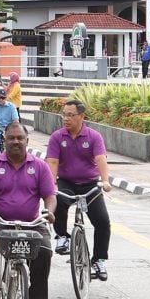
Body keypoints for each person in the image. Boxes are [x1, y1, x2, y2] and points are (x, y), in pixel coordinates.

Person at [0, 122, 56, 299]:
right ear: (4, 141)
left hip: (31, 222)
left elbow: (50, 195)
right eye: (11, 138)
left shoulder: (40, 166)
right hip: (0, 220)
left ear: (27, 141)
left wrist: (49, 212)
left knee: (45, 251)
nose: (16, 141)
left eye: (20, 138)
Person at [46, 99, 113, 280]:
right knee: (58, 201)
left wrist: (105, 181)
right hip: (66, 182)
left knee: (102, 221)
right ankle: (62, 236)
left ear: (81, 116)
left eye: (71, 115)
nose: (66, 119)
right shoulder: (57, 137)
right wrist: (52, 185)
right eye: (64, 115)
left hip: (90, 184)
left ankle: (99, 259)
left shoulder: (93, 137)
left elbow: (100, 159)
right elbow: (52, 162)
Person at [0, 89, 20, 155]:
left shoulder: (11, 106)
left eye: (2, 98)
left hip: (10, 128)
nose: (1, 99)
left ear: (6, 98)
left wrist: (16, 129)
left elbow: (16, 120)